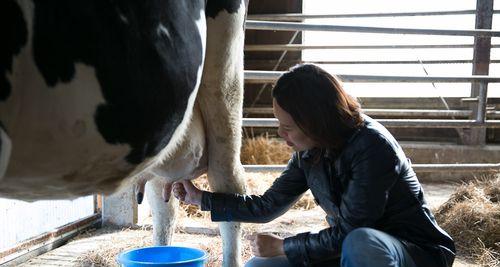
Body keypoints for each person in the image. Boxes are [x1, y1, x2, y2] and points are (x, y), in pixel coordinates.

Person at [173, 64, 455, 267]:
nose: (281, 135)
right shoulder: (311, 151)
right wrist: (201, 198)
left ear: (314, 121)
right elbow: (268, 205)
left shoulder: (372, 146)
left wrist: (285, 246)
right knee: (259, 266)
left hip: (413, 253)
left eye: (287, 127)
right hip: (350, 251)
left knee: (362, 242)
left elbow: (351, 232)